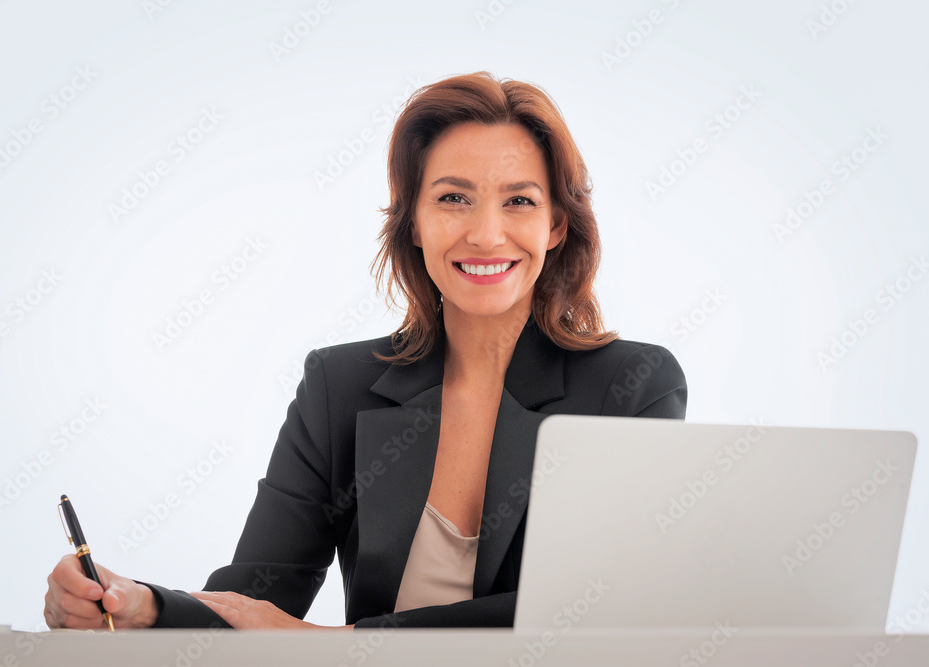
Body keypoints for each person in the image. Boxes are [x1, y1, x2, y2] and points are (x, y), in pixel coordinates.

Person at [44, 71, 686, 631]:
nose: (486, 234)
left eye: (518, 200)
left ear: (555, 226)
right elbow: (257, 599)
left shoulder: (632, 385)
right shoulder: (340, 384)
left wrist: (343, 645)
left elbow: (598, 608)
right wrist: (140, 605)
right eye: (453, 198)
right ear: (413, 222)